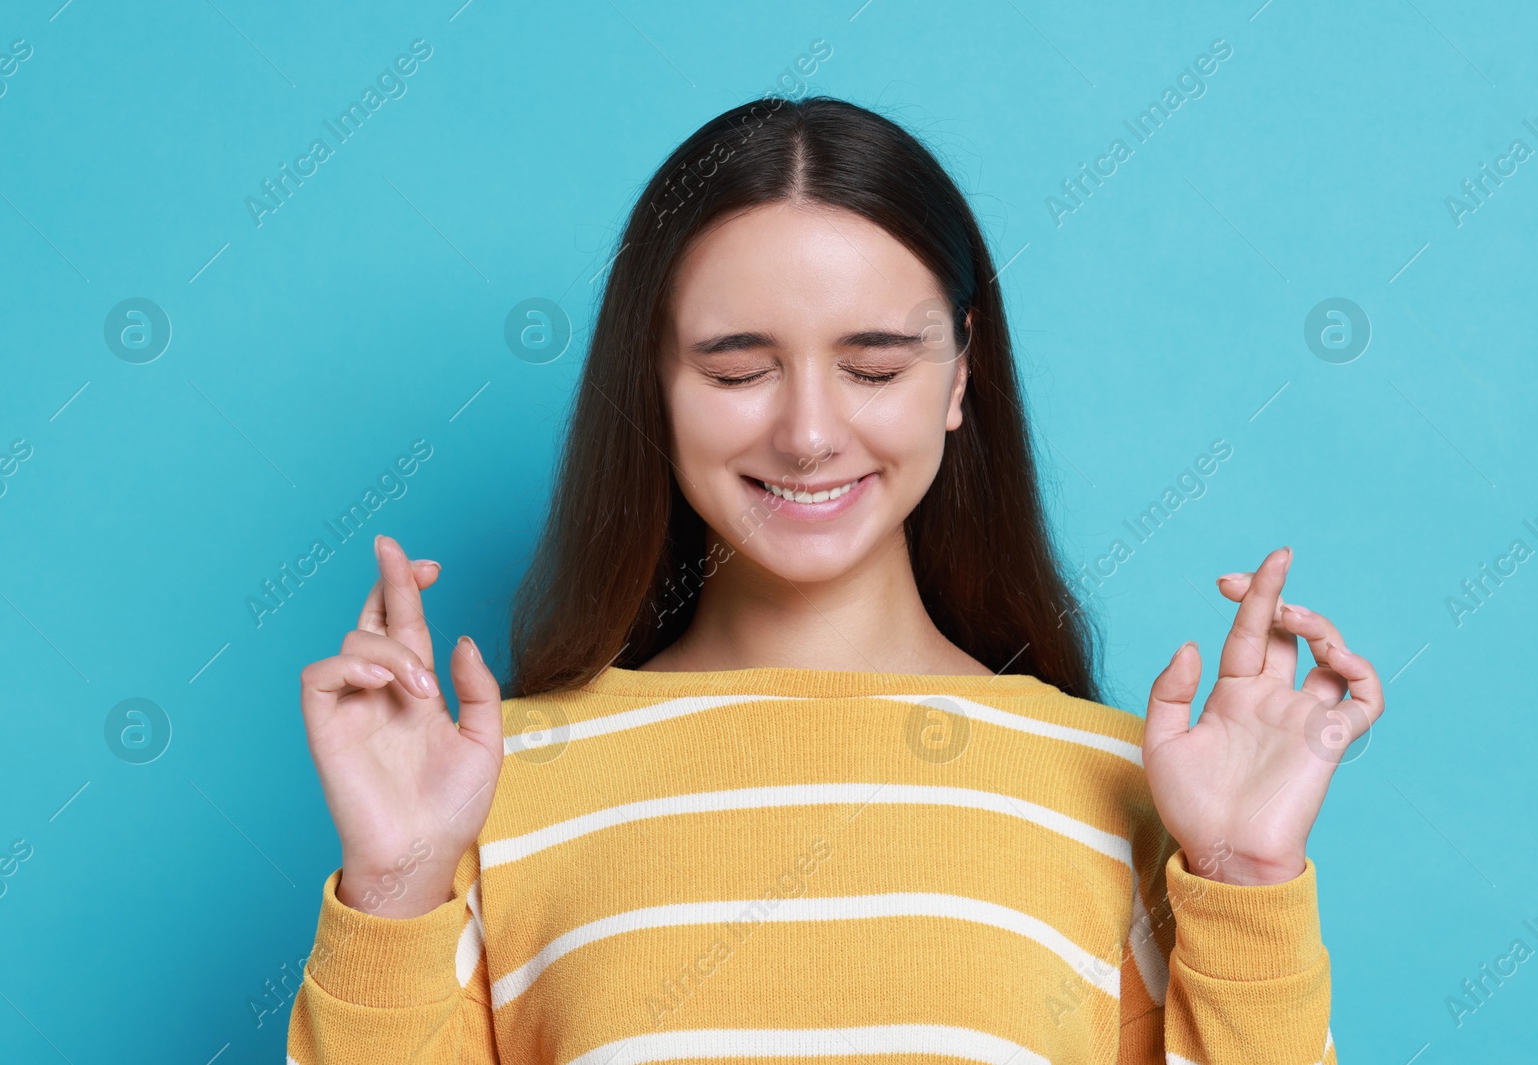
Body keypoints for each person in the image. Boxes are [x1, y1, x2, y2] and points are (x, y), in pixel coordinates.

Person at [287, 95, 1380, 1064]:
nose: (809, 432)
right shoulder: (486, 788)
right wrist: (394, 892)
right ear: (654, 383)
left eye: (872, 367)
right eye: (736, 368)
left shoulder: (1128, 795)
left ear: (962, 372)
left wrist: (1242, 885)